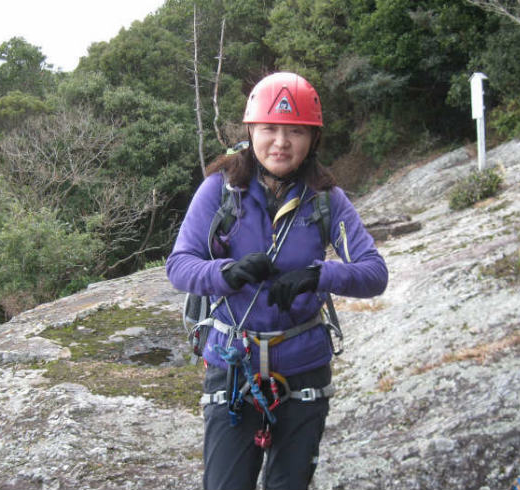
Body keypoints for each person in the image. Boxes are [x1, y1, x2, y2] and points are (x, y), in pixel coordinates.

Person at [166, 72, 388, 490]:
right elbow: (180, 266)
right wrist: (225, 273)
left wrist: (319, 275)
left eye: (295, 131)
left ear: (313, 139)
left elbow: (374, 274)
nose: (281, 142)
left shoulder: (325, 199)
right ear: (251, 130)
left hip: (303, 366)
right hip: (234, 366)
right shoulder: (220, 190)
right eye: (270, 128)